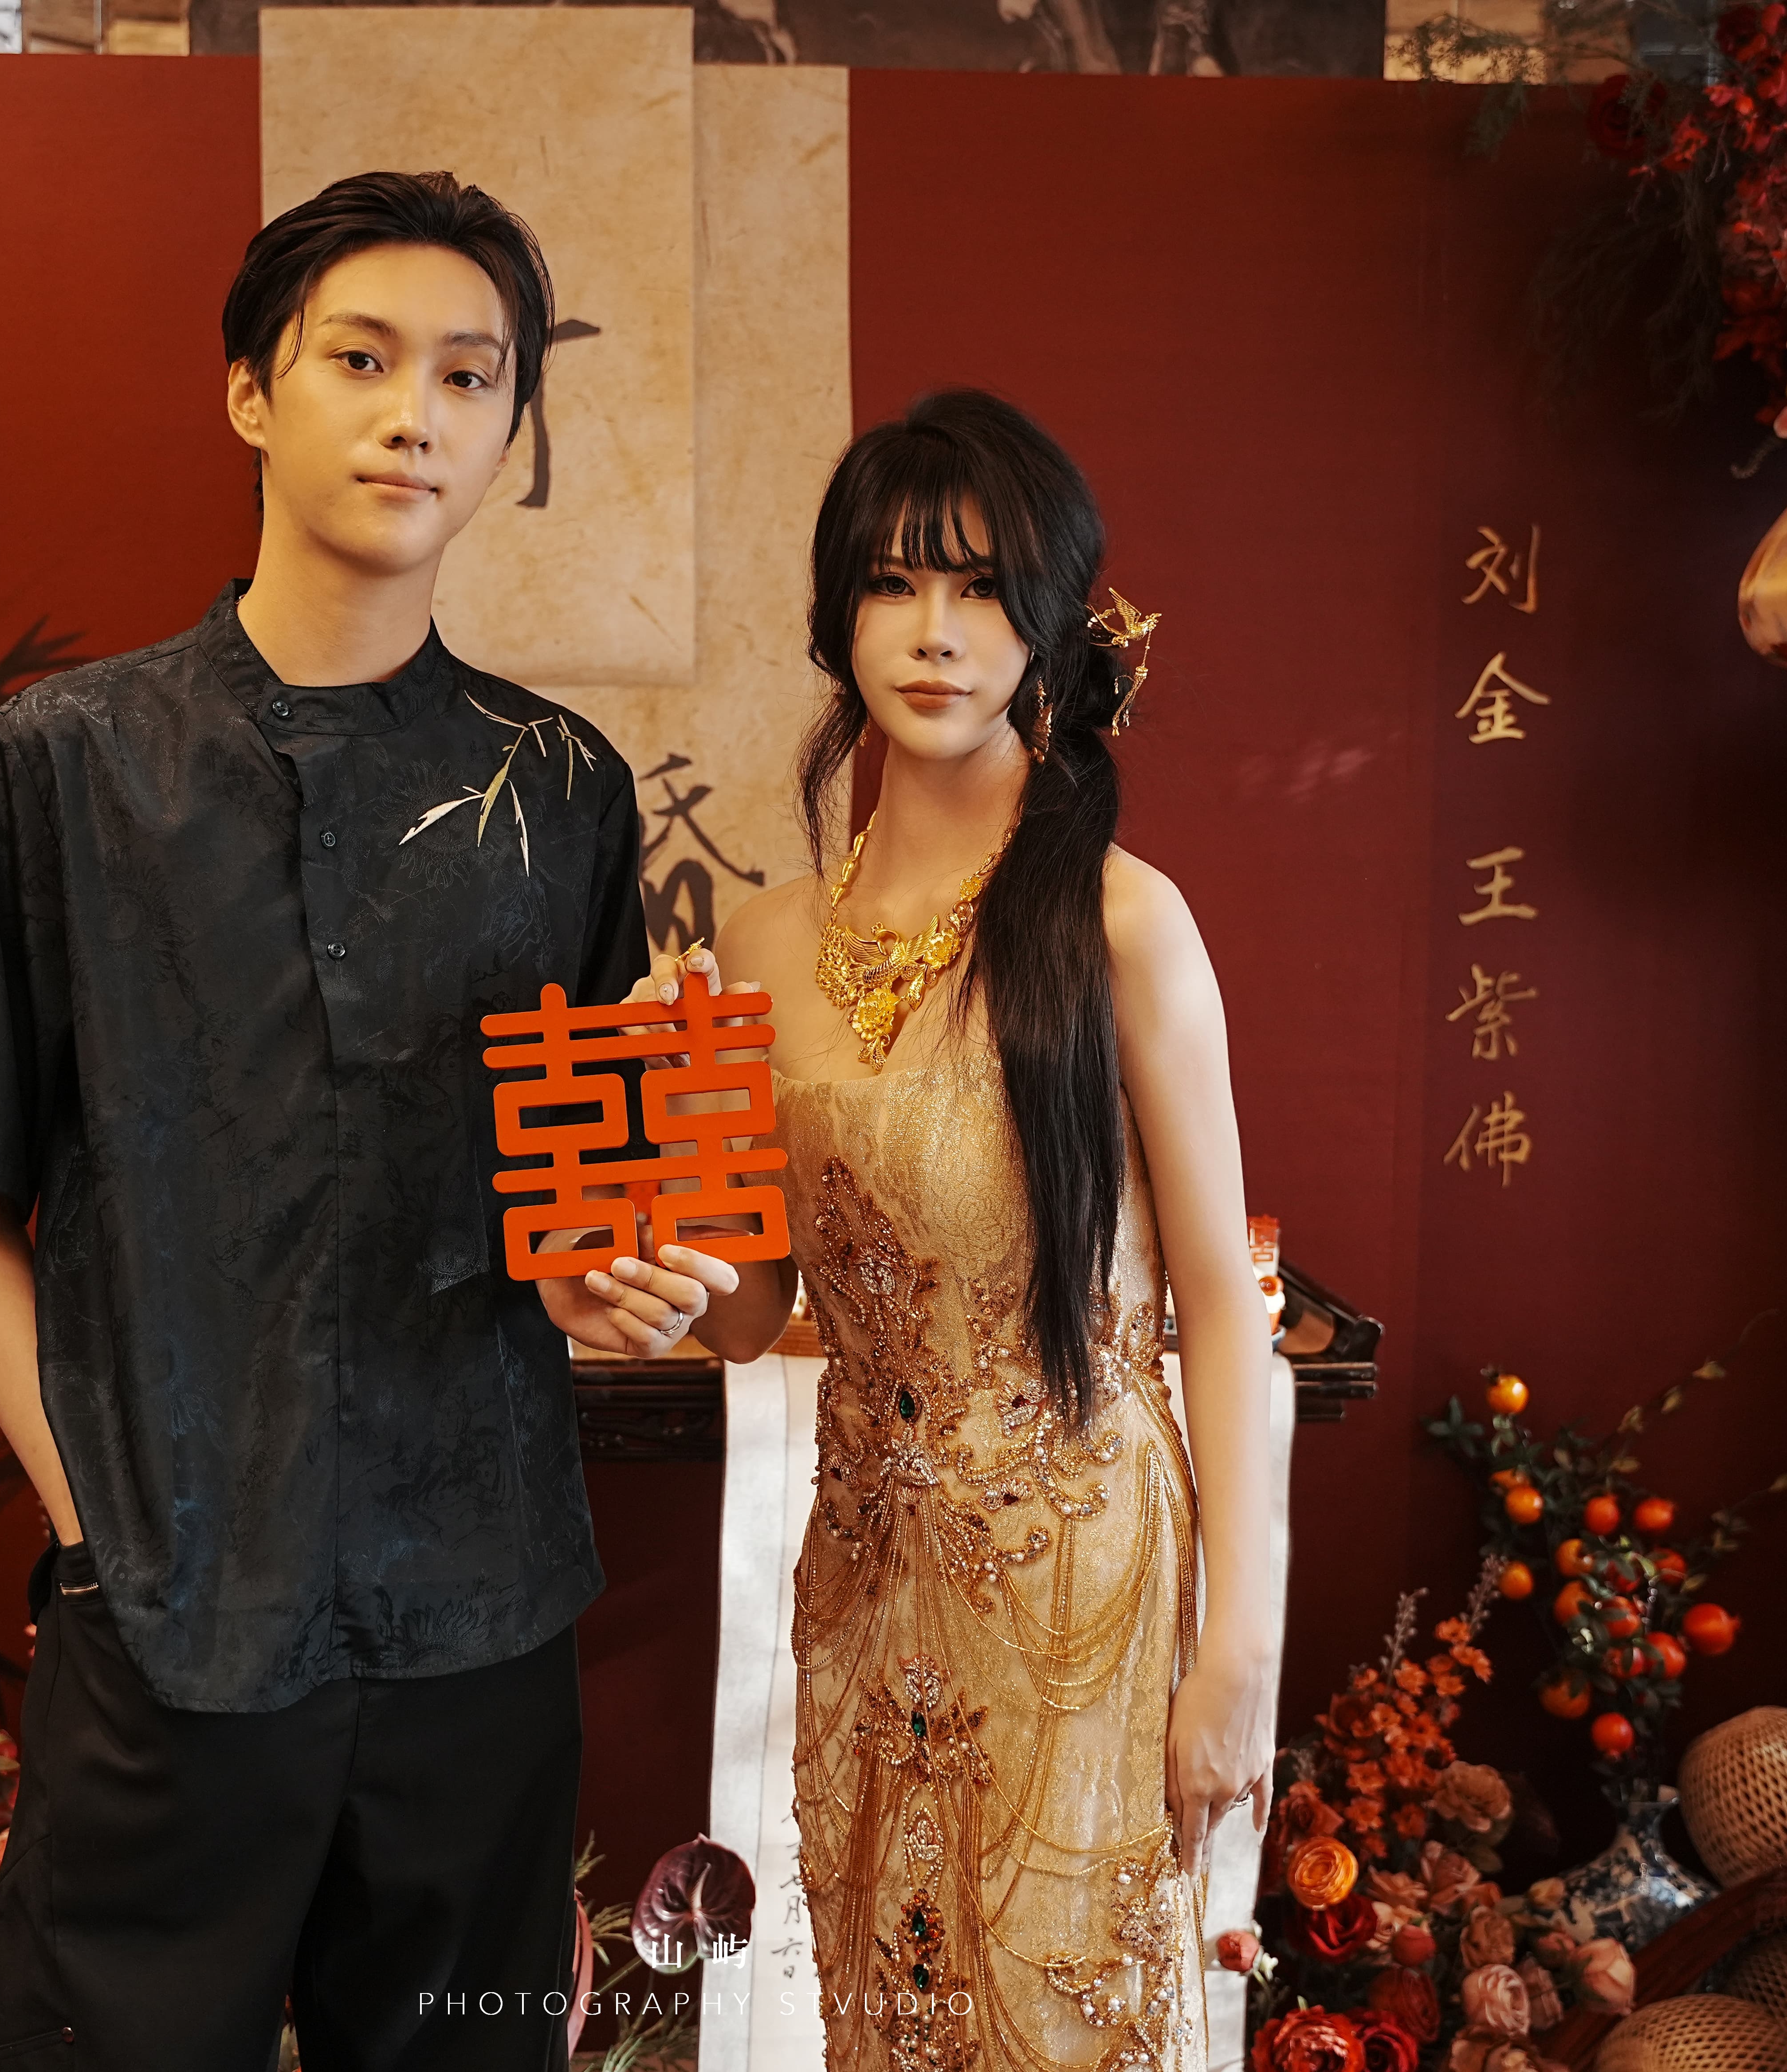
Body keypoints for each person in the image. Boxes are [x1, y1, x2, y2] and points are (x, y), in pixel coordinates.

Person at [0, 171, 670, 2072]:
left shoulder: (562, 786)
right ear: (250, 391)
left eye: (469, 377)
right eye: (361, 360)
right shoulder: (68, 761)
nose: (416, 416)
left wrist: (599, 1280)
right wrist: (95, 1520)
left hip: (480, 1624)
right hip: (173, 1618)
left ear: (509, 429)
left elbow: (592, 1202)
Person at [605, 390, 1283, 2068]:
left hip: (1083, 1575)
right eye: (895, 584)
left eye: (983, 590)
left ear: (1051, 627)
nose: (936, 632)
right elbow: (750, 1315)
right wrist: (668, 1154)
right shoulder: (761, 943)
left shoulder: (1121, 920)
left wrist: (1240, 1654)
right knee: (884, 2015)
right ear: (837, 618)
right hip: (863, 1568)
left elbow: (1219, 1300)